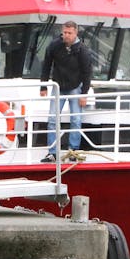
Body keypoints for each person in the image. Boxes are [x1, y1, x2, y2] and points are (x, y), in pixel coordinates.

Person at [39, 21, 92, 162]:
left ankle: (73, 151)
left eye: (70, 33)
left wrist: (84, 94)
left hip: (75, 87)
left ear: (76, 33)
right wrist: (43, 86)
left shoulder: (82, 50)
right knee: (52, 119)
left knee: (76, 119)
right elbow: (46, 65)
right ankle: (52, 152)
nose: (66, 36)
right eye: (65, 32)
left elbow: (87, 73)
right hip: (58, 87)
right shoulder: (54, 46)